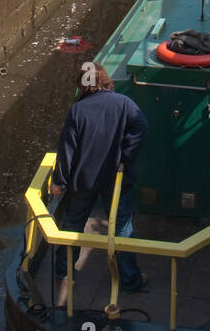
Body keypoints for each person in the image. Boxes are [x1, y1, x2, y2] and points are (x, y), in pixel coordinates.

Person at [49, 62, 149, 293]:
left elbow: (67, 151)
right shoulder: (124, 104)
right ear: (105, 80)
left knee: (72, 226)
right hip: (116, 179)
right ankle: (130, 280)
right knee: (122, 228)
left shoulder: (77, 111)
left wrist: (59, 182)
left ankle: (63, 270)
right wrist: (125, 156)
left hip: (83, 180)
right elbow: (141, 128)